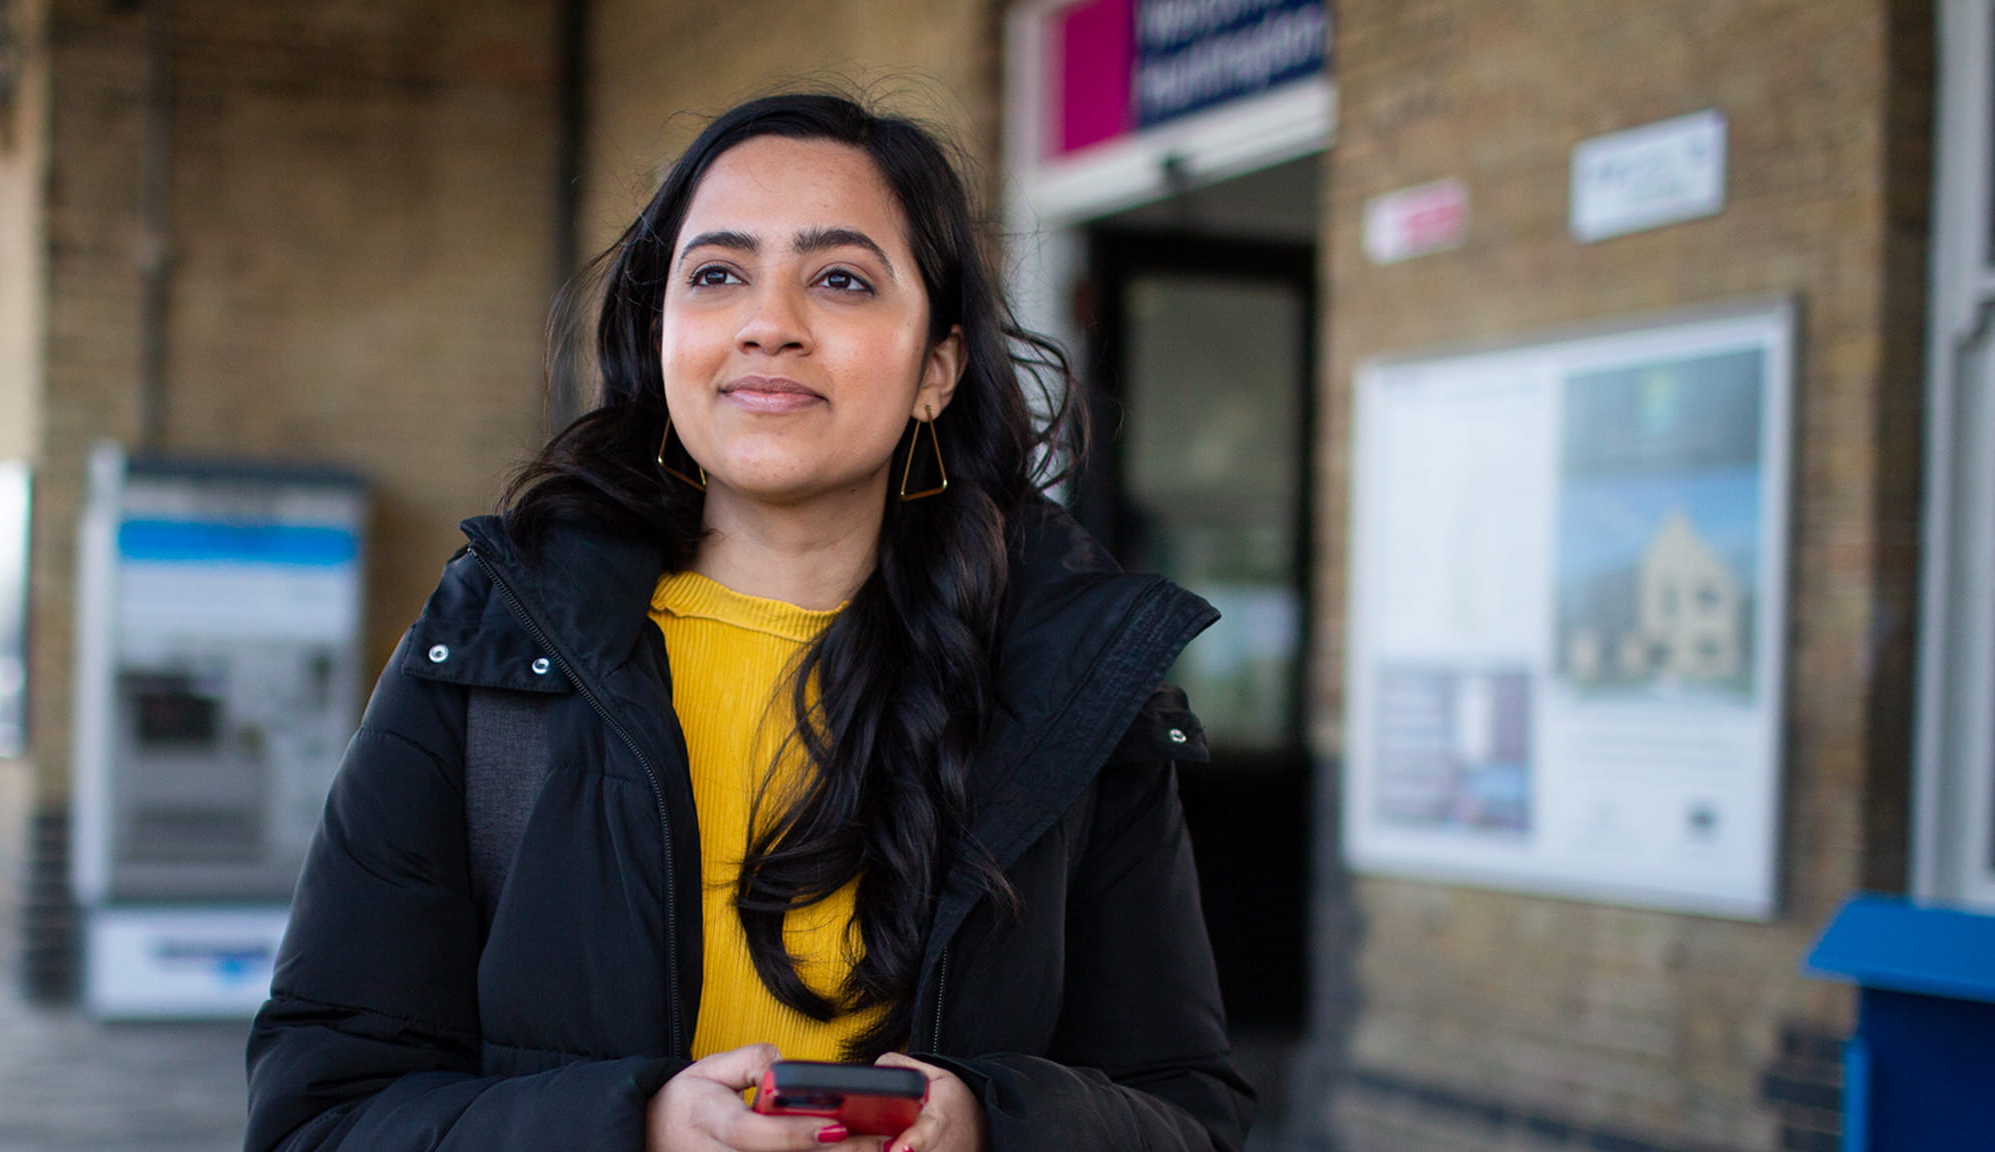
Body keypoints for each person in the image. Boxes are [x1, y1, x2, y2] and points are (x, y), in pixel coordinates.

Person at [246, 94, 1251, 1152]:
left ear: (937, 370)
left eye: (842, 279)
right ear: (659, 334)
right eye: (717, 274)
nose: (768, 322)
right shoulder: (497, 649)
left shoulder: (1071, 686)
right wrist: (634, 1131)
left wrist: (988, 1128)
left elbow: (1187, 1118)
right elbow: (322, 1116)